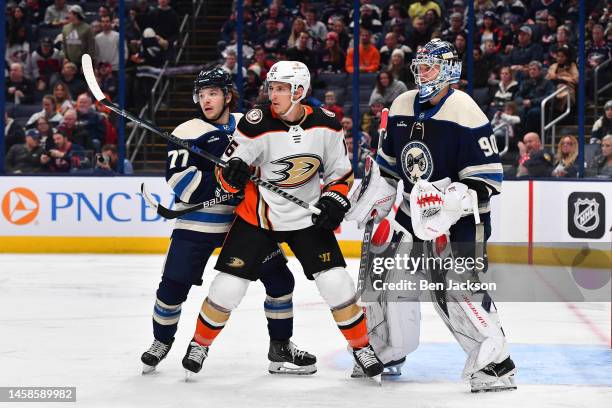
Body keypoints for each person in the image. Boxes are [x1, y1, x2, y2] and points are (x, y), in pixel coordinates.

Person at [180, 61, 384, 380]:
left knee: (336, 283)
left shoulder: (328, 124)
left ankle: (361, 347)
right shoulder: (255, 122)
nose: (271, 94)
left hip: (306, 218)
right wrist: (232, 175)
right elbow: (228, 175)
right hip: (258, 218)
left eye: (280, 89)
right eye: (270, 87)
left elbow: (339, 174)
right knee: (227, 288)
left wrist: (335, 197)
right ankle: (199, 344)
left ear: (299, 92)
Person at [346, 39, 516, 392]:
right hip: (410, 213)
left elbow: (488, 179)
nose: (422, 74)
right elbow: (389, 168)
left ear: (450, 70)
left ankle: (496, 363)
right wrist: (372, 198)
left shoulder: (466, 111)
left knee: (457, 288)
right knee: (388, 280)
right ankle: (388, 351)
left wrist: (450, 200)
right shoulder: (402, 104)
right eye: (419, 67)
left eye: (430, 67)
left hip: (461, 218)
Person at [140, 68, 316, 376]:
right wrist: (225, 183)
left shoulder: (248, 124)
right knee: (172, 288)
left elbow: (271, 162)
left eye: (213, 93)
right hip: (196, 224)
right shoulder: (187, 130)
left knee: (280, 281)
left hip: (243, 224)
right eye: (202, 94)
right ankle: (161, 341)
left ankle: (280, 346)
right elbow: (181, 181)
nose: (206, 100)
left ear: (227, 95)